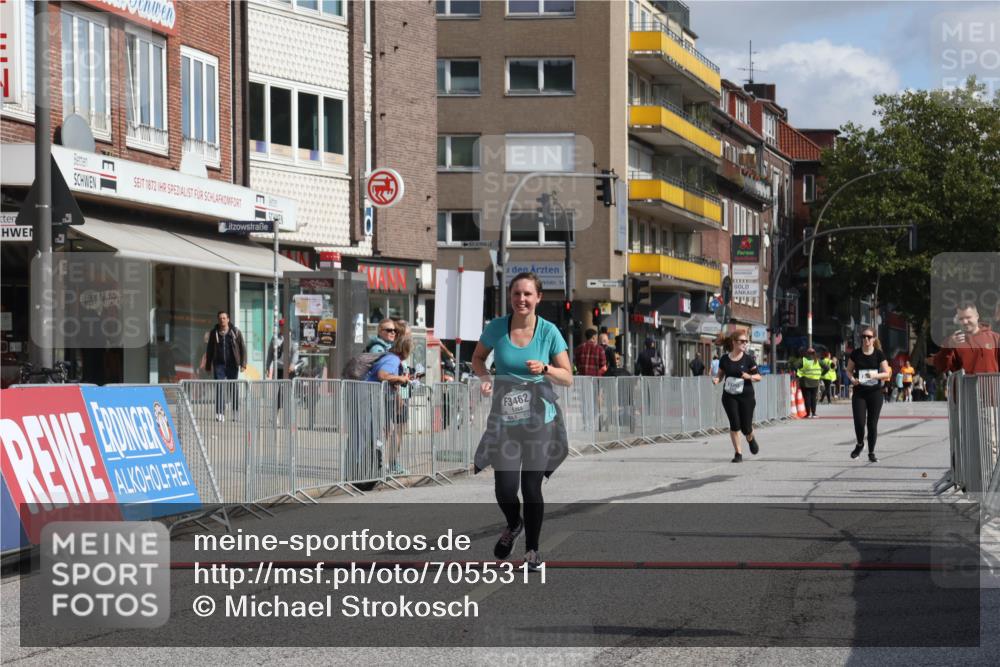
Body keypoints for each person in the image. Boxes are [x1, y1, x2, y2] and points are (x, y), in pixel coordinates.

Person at [471, 272, 573, 573]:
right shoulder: (497, 328)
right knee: (504, 488)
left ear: (538, 298)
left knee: (531, 488)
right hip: (505, 417)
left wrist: (546, 368)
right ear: (510, 297)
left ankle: (532, 550)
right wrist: (486, 378)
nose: (522, 299)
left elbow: (568, 377)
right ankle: (514, 524)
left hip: (540, 419)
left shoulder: (548, 331)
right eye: (517, 294)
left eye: (528, 294)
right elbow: (478, 359)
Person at [713, 329, 762, 463]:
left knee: (746, 427)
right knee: (735, 425)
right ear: (734, 342)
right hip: (729, 396)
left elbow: (759, 377)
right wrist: (717, 379)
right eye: (742, 341)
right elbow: (721, 373)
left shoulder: (748, 359)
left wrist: (749, 376)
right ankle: (738, 453)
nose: (745, 344)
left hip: (746, 396)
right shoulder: (724, 359)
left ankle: (750, 438)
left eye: (746, 341)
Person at [366, 333, 412, 476]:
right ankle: (374, 469)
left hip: (375, 399)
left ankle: (377, 467)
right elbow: (382, 375)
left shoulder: (391, 358)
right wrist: (400, 378)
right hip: (371, 399)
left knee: (386, 432)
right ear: (405, 349)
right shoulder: (392, 359)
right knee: (381, 433)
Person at [847, 327, 892, 462]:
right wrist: (852, 379)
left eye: (869, 337)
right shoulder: (856, 353)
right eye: (863, 337)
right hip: (859, 392)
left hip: (875, 393)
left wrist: (875, 375)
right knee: (859, 422)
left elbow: (887, 373)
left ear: (873, 339)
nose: (866, 339)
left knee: (872, 424)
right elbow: (848, 370)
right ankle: (860, 444)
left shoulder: (879, 354)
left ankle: (871, 452)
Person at [203, 310, 247, 422]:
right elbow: (209, 350)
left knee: (233, 389)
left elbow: (242, 348)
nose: (222, 320)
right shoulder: (214, 333)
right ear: (218, 320)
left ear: (228, 319)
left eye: (224, 318)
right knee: (219, 387)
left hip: (232, 364)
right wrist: (208, 365)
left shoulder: (235, 332)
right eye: (220, 318)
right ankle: (220, 413)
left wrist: (243, 364)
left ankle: (235, 412)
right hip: (219, 365)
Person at [796, 348, 822, 418]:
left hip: (805, 382)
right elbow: (827, 367)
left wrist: (799, 373)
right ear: (814, 353)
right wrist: (820, 375)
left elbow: (795, 366)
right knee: (813, 398)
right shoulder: (817, 360)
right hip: (815, 382)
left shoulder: (803, 360)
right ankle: (813, 413)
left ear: (807, 353)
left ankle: (808, 414)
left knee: (807, 398)